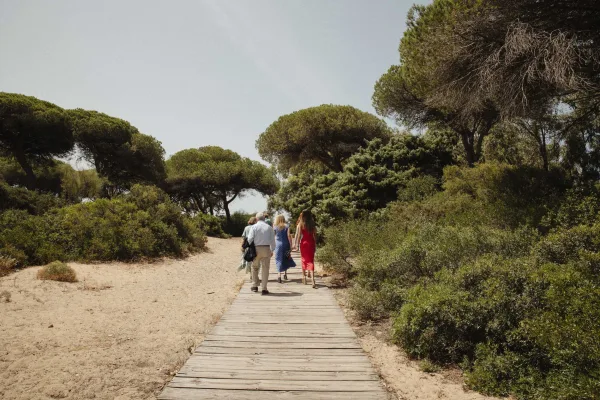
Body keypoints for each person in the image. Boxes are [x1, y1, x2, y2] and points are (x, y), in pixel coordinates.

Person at [247, 212, 276, 295]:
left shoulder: (254, 227)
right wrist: (272, 250)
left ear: (256, 219)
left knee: (254, 267)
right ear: (264, 219)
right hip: (266, 248)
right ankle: (264, 288)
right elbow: (272, 240)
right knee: (265, 269)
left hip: (256, 249)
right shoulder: (269, 228)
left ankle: (255, 285)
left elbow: (249, 239)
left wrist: (251, 247)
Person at [294, 209, 317, 288]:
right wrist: (315, 243)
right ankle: (313, 279)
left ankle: (304, 277)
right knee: (311, 260)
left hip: (304, 243)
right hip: (311, 243)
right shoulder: (312, 223)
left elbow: (299, 235)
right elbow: (315, 234)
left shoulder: (301, 223)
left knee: (303, 259)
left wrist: (296, 244)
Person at [273, 215, 296, 283]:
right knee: (286, 257)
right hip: (286, 245)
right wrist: (291, 244)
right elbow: (289, 235)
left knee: (278, 259)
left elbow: (273, 236)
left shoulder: (275, 227)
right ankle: (285, 274)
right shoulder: (287, 226)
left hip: (278, 245)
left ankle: (279, 275)